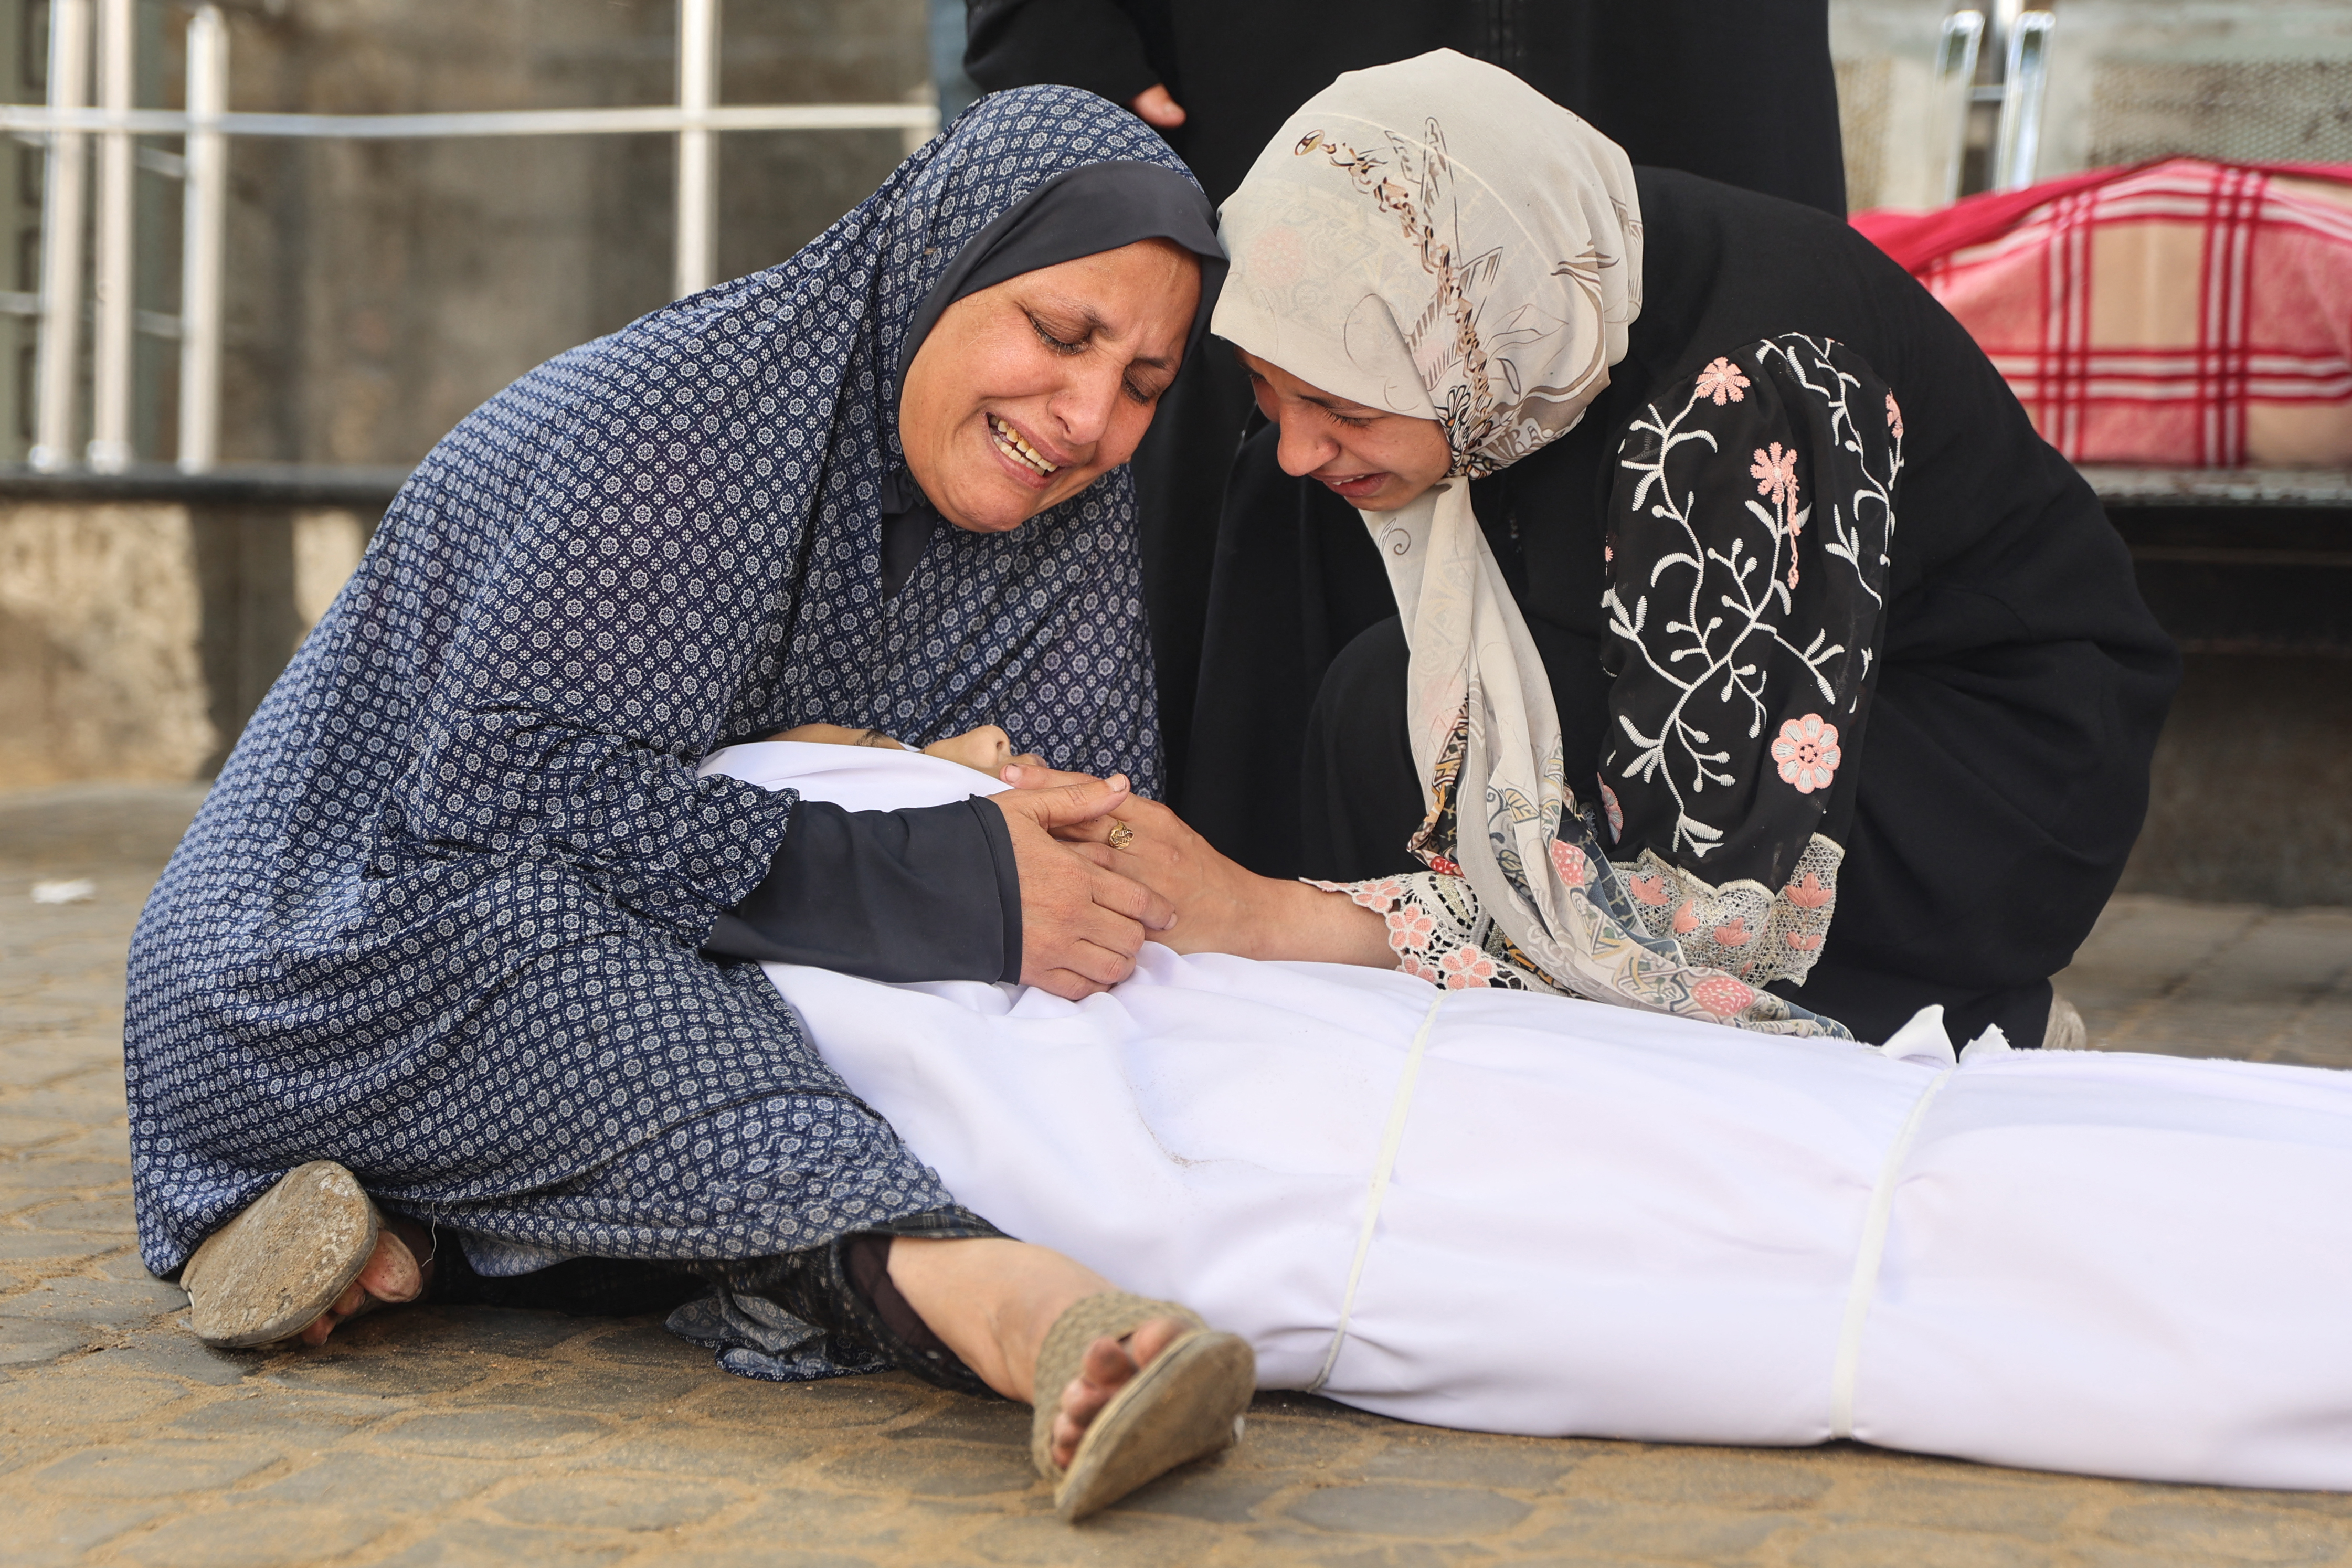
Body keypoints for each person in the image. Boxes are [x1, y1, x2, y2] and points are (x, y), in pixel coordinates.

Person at [129, 85, 1256, 1523]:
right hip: (341, 946)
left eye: (1149, 384)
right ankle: (1017, 1312)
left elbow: (1063, 845)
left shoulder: (1065, 492)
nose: (1092, 414)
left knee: (921, 994)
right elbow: (509, 795)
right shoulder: (694, 416)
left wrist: (1018, 852)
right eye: (1059, 333)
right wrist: (928, 841)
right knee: (577, 949)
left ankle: (443, 1217)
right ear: (946, 266)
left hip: (667, 929)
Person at [702, 733, 2352, 1495]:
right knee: (1867, 1236)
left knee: (1890, 1173)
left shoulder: (854, 806)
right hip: (1347, 1155)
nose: (1001, 747)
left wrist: (1252, 924)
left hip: (1410, 1077)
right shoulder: (762, 961)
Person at [1171, 51, 2180, 1046]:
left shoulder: (1733, 409)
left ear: (1472, 346)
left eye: (1339, 406)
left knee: (1418, 719)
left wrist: (1293, 924)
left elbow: (1707, 907)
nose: (1298, 447)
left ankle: (1917, 1018)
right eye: (1269, 387)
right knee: (1399, 704)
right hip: (1778, 674)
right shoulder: (1524, 259)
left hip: (1970, 775)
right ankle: (1455, 1041)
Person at [963, 0, 1851, 789]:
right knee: (1302, 447)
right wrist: (1057, 40)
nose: (1299, 442)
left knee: (1695, 500)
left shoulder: (1775, 330)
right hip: (1281, 61)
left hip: (1661, 59)